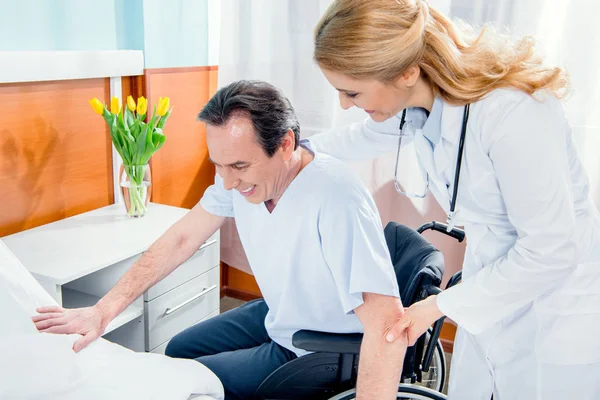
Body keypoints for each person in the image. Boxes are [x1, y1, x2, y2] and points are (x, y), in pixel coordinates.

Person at [32, 80, 409, 400]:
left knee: (192, 383)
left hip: (319, 346)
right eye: (220, 166)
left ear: (286, 144)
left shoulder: (336, 196)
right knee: (179, 350)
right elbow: (182, 238)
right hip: (283, 314)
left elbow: (386, 323)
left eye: (240, 166)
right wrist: (102, 311)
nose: (228, 183)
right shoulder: (241, 182)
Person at [307, 0, 600, 399]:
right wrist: (291, 150)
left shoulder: (514, 114)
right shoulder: (419, 106)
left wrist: (437, 307)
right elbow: (355, 140)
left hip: (556, 312)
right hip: (492, 293)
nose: (343, 104)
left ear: (408, 71)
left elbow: (553, 249)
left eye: (351, 91)